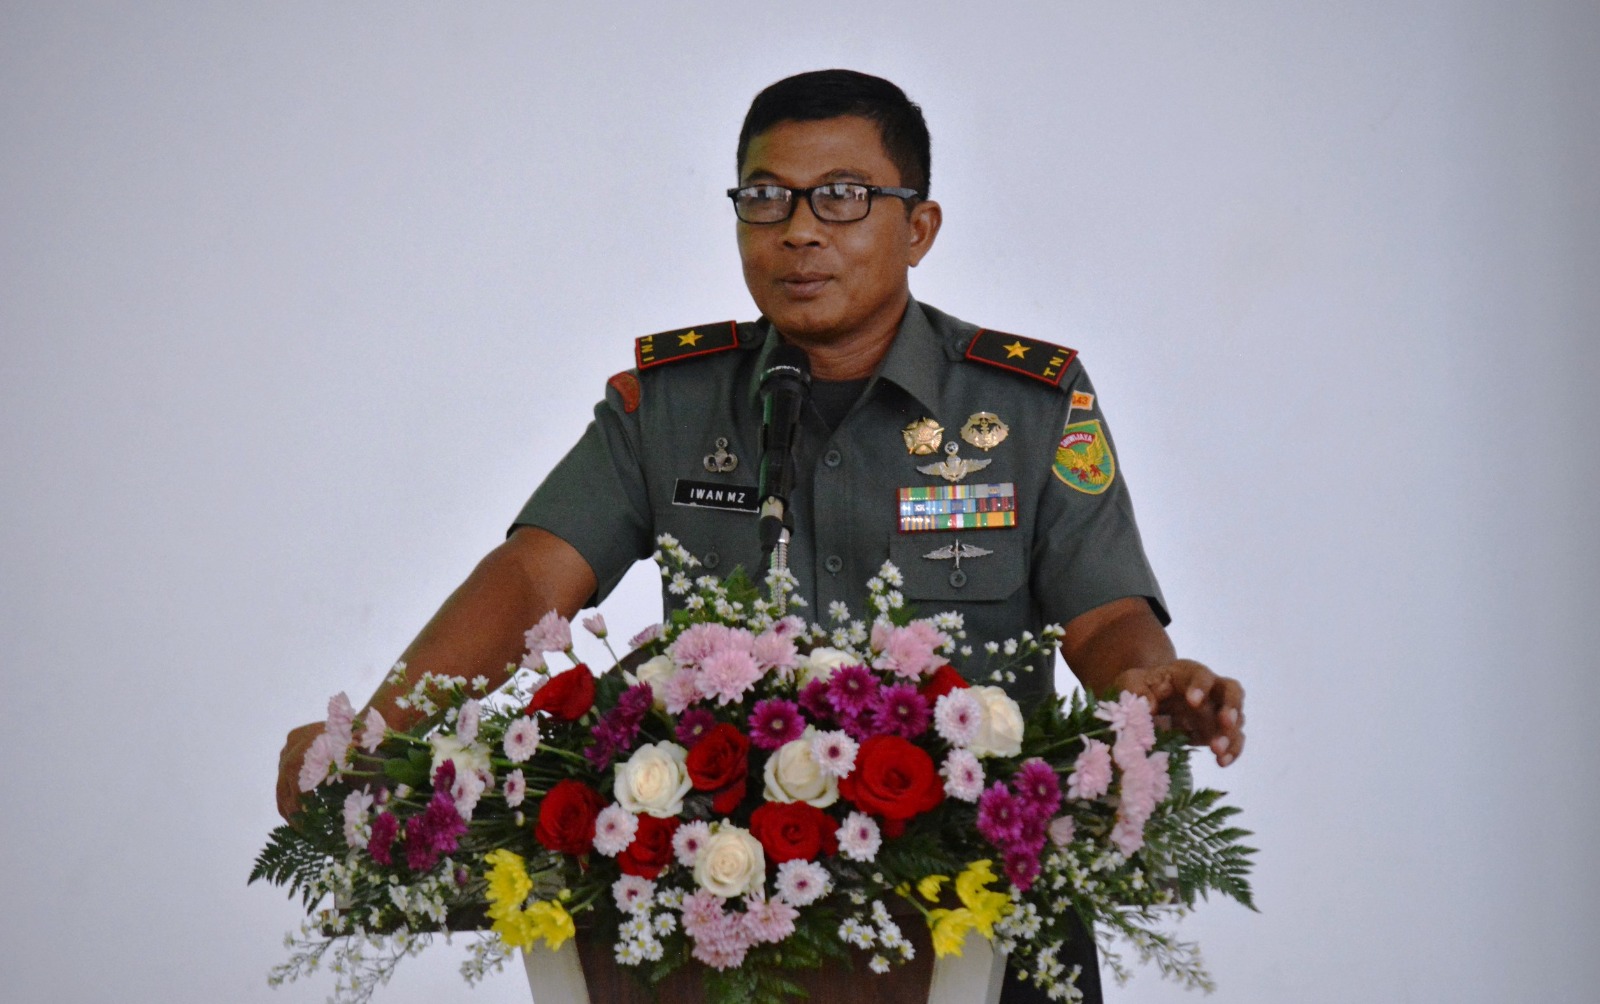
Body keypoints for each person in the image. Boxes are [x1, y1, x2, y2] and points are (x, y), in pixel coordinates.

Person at [276, 69, 1245, 1004]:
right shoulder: (669, 405)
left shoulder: (1026, 404)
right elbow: (535, 574)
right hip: (725, 925)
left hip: (983, 914)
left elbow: (1104, 612)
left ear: (918, 227)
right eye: (765, 199)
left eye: (842, 197)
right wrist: (376, 731)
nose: (798, 231)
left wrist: (1150, 681)